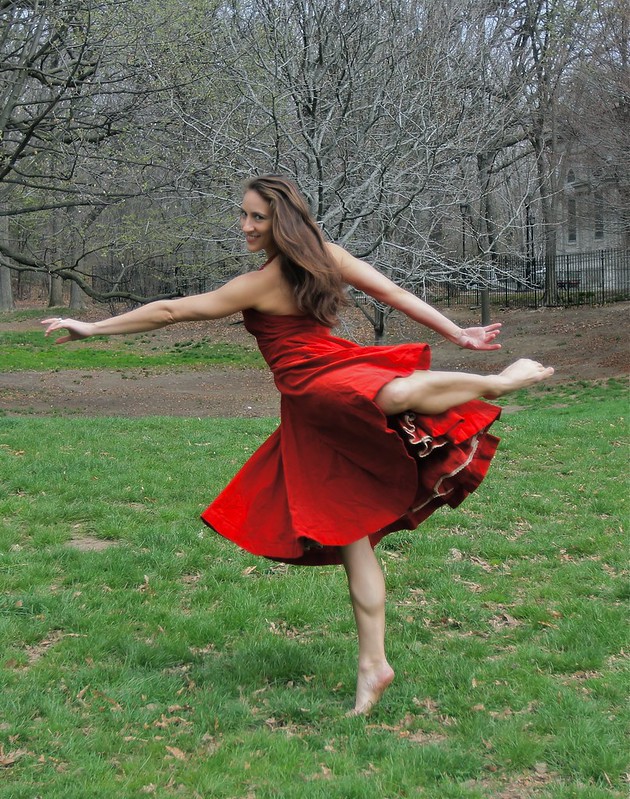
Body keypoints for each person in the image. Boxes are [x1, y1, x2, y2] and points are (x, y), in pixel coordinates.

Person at [42, 174, 553, 716]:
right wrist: (457, 333)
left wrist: (92, 329)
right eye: (243, 215)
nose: (245, 226)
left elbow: (175, 309)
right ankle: (373, 666)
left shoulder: (271, 279)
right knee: (351, 530)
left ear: (282, 219)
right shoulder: (322, 260)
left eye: (256, 217)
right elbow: (389, 293)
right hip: (313, 409)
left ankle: (498, 384)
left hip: (320, 386)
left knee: (394, 391)